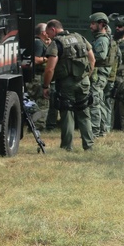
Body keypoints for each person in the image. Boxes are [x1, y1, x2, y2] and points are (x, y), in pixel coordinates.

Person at [42, 19, 96, 151]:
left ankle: (67, 147)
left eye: (48, 32)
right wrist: (86, 76)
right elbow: (92, 59)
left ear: (53, 29)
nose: (47, 36)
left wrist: (45, 86)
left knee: (67, 113)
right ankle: (89, 146)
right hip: (83, 81)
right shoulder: (80, 37)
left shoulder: (57, 43)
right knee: (84, 112)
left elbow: (50, 69)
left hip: (66, 83)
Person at [88, 12, 112, 140]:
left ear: (101, 24)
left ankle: (95, 132)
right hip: (101, 75)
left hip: (99, 75)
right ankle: (102, 130)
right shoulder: (101, 38)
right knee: (100, 102)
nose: (90, 26)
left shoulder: (102, 39)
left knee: (95, 102)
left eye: (93, 23)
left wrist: (87, 56)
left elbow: (100, 56)